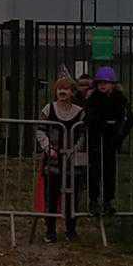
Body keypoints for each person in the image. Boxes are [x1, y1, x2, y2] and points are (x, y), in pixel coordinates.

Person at [35, 78, 84, 243]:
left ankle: (71, 230)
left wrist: (75, 149)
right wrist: (48, 148)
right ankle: (50, 231)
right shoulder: (49, 109)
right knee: (51, 195)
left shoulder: (79, 112)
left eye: (66, 89)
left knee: (73, 196)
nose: (62, 92)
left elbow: (83, 134)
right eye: (59, 89)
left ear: (72, 92)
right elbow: (40, 130)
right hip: (53, 161)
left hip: (72, 161)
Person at [84, 67, 133, 216]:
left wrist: (119, 135)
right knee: (94, 172)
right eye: (99, 82)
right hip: (95, 141)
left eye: (106, 82)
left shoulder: (120, 99)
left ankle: (108, 201)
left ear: (113, 84)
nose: (102, 85)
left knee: (109, 172)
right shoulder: (93, 99)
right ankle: (93, 201)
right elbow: (89, 118)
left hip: (111, 141)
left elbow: (128, 118)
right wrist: (100, 125)